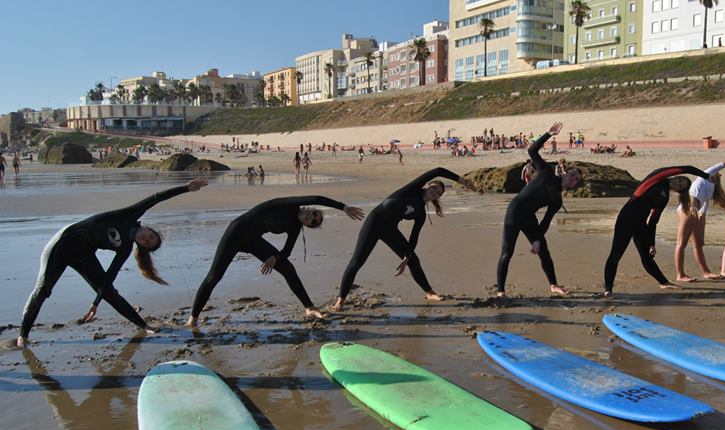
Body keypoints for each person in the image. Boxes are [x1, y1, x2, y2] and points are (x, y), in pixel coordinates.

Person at [19, 179, 208, 346]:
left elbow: (110, 276)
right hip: (61, 244)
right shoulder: (128, 217)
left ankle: (144, 325)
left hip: (83, 255)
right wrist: (185, 188)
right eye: (150, 236)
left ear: (142, 247)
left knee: (110, 292)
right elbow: (155, 198)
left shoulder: (125, 248)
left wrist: (96, 303)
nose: (146, 238)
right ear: (148, 229)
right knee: (43, 289)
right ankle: (23, 337)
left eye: (148, 243)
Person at [187, 196, 364, 326]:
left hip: (253, 241)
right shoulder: (291, 205)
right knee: (214, 276)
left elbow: (287, 251)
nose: (310, 216)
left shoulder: (295, 227)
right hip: (235, 233)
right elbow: (317, 197)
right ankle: (193, 318)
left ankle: (309, 307)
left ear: (307, 226)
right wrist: (343, 207)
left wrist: (275, 257)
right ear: (310, 208)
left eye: (312, 221)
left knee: (288, 269)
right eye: (314, 213)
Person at [331, 168, 479, 310]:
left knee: (414, 260)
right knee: (357, 262)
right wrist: (463, 181)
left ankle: (429, 292)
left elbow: (414, 238)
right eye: (434, 188)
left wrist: (406, 258)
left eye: (438, 193)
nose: (435, 192)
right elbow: (438, 170)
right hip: (374, 223)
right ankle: (341, 300)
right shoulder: (412, 189)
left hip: (389, 229)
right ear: (427, 186)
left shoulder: (421, 213)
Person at [496, 122, 582, 298]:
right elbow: (532, 151)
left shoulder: (558, 200)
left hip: (529, 217)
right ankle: (500, 291)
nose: (573, 178)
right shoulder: (547, 172)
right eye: (572, 174)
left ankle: (554, 285)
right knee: (507, 252)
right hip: (515, 211)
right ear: (565, 173)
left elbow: (546, 221)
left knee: (544, 251)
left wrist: (537, 239)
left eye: (576, 179)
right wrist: (548, 134)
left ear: (574, 185)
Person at [604, 165, 710, 296]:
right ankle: (608, 289)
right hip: (626, 219)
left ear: (678, 191)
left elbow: (653, 221)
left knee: (647, 257)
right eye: (680, 180)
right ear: (676, 176)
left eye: (681, 185)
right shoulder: (657, 178)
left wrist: (651, 244)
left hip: (640, 224)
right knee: (616, 255)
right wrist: (707, 177)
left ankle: (664, 282)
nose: (678, 183)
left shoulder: (664, 198)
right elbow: (687, 168)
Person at [675, 150, 725, 282]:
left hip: (697, 211)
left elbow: (704, 201)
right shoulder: (705, 175)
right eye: (718, 173)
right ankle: (680, 274)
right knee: (681, 243)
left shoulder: (712, 186)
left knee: (699, 243)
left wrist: (702, 215)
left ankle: (706, 272)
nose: (719, 174)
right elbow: (694, 196)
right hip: (688, 208)